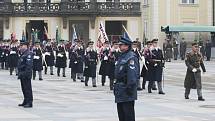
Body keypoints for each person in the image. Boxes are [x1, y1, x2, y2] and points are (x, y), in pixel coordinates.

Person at [114, 35, 139, 121]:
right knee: (122, 116)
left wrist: (130, 88)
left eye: (121, 45)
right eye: (119, 45)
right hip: (120, 90)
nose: (119, 46)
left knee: (128, 116)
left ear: (127, 46)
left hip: (127, 90)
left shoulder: (131, 57)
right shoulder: (122, 56)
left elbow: (132, 75)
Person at [17, 40, 33, 108]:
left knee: (27, 88)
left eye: (22, 45)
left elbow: (28, 65)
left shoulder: (29, 53)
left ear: (26, 46)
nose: (20, 47)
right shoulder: (23, 53)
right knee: (23, 88)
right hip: (22, 73)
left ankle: (29, 102)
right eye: (20, 46)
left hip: (26, 74)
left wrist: (26, 74)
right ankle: (25, 100)